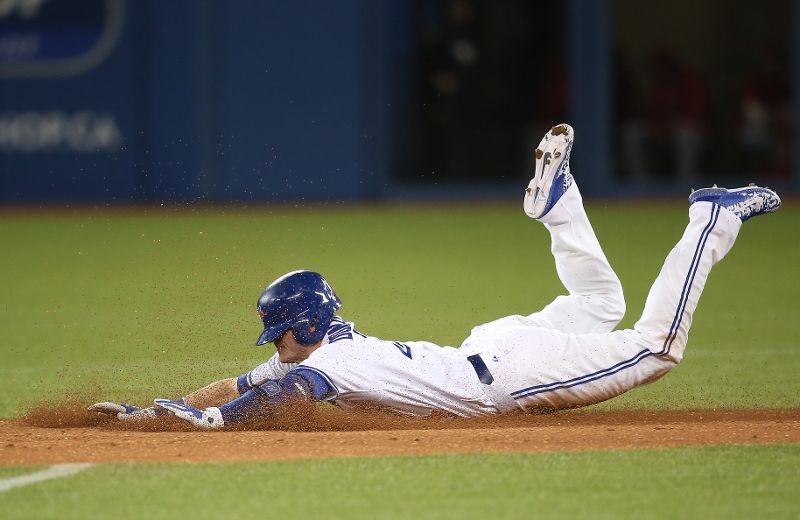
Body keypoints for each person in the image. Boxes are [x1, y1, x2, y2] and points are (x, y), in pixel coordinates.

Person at [89, 124, 781, 429]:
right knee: (599, 301)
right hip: (494, 351)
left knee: (656, 343)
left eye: (277, 336)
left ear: (302, 327)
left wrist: (215, 422)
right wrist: (155, 410)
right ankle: (557, 204)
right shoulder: (330, 347)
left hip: (511, 371)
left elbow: (283, 390)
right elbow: (243, 384)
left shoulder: (334, 363)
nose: (274, 349)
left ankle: (709, 219)